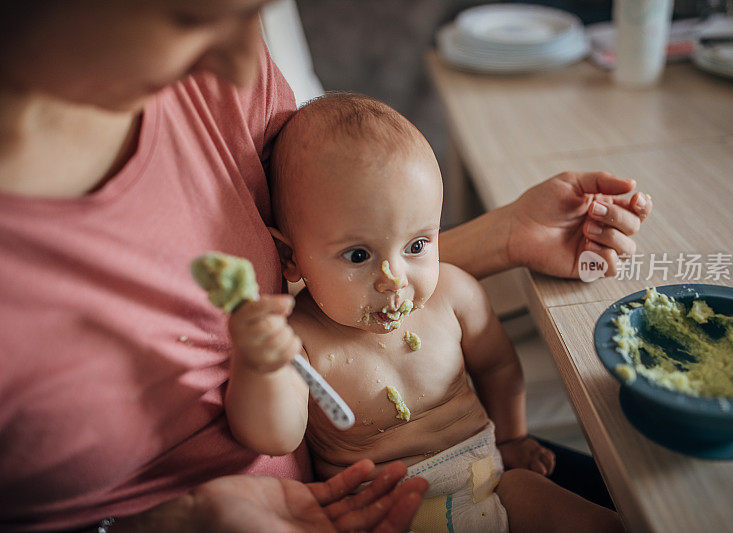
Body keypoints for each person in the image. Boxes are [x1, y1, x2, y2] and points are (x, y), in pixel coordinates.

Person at [0, 1, 651, 531]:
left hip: (450, 482)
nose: (240, 62)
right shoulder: (301, 340)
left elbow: (360, 237)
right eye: (189, 18)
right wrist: (175, 519)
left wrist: (504, 235)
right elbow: (276, 423)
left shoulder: (223, 84)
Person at [225, 93, 624, 532]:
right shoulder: (298, 339)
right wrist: (259, 364)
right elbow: (273, 437)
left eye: (417, 245)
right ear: (290, 256)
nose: (393, 278)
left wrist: (512, 438)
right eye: (358, 255)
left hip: (491, 485)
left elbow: (498, 366)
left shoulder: (454, 295)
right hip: (384, 515)